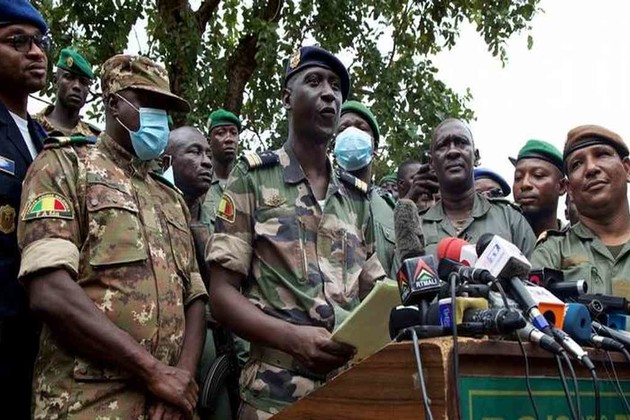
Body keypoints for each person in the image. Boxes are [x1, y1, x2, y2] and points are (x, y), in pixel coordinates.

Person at [17, 54, 207, 419]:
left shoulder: (170, 196)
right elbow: (49, 291)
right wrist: (153, 373)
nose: (159, 117)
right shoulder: (64, 166)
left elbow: (195, 297)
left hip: (167, 407)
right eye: (147, 102)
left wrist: (180, 381)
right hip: (89, 403)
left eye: (164, 109)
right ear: (113, 104)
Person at [206, 45, 386, 419]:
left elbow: (374, 293)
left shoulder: (356, 197)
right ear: (287, 98)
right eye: (315, 81)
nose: (328, 94)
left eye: (336, 86)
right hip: (273, 396)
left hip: (349, 392)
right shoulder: (253, 178)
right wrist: (292, 339)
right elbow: (221, 296)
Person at [0, 1, 49, 417]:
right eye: (17, 41)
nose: (35, 52)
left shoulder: (44, 140)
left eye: (39, 42)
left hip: (33, 344)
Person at [532, 125, 630, 297]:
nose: (591, 168)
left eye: (602, 154)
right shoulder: (552, 251)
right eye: (577, 164)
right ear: (569, 189)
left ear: (627, 169)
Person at [421, 118, 536, 256]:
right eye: (442, 146)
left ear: (475, 156)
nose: (453, 151)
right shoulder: (416, 227)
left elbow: (535, 269)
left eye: (461, 142)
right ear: (431, 162)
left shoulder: (511, 220)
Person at [335, 100, 396, 277]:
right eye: (343, 128)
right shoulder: (319, 198)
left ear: (374, 147)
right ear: (334, 144)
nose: (351, 133)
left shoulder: (390, 209)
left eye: (361, 128)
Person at [34, 47, 100, 136]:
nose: (77, 86)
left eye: (83, 82)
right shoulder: (30, 126)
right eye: (69, 77)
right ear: (55, 81)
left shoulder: (95, 138)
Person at [510, 139, 566, 237]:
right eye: (518, 177)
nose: (524, 184)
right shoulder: (499, 238)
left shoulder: (579, 244)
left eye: (538, 175)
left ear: (562, 186)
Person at [201, 108, 241, 234]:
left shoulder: (247, 183)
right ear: (209, 141)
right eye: (221, 133)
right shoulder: (200, 185)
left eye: (233, 133)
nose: (229, 139)